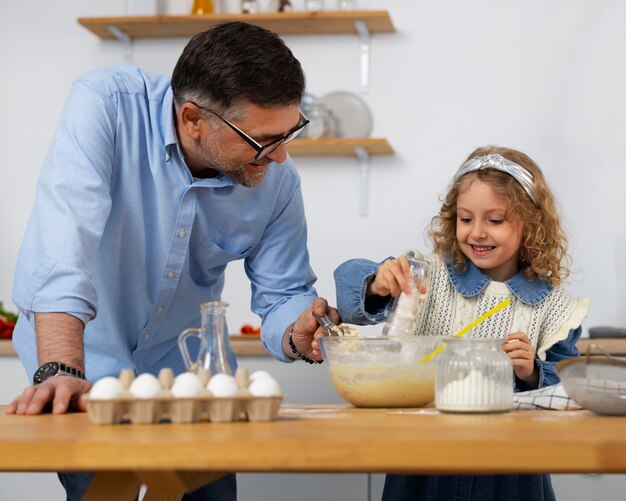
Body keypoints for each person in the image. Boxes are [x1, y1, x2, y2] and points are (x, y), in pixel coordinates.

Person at [8, 21, 332, 500]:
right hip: (84, 371)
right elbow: (63, 244)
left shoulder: (277, 182)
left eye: (291, 132)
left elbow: (284, 294)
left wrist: (296, 327)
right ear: (193, 120)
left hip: (195, 386)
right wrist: (61, 368)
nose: (281, 156)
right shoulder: (106, 104)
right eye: (263, 139)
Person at [331, 145, 589, 501]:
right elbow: (350, 287)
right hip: (423, 463)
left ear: (530, 225)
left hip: (512, 471)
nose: (477, 233)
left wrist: (532, 372)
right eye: (466, 219)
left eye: (494, 221)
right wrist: (377, 281)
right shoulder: (426, 277)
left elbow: (571, 388)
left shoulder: (553, 307)